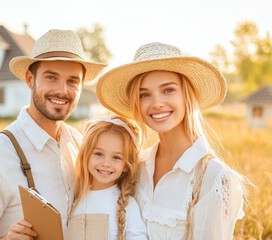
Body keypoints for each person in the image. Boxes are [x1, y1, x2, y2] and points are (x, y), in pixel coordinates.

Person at [0, 29, 106, 239]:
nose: (62, 90)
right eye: (51, 77)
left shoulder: (79, 145)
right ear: (30, 80)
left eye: (72, 81)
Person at [96, 42, 246, 239]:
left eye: (168, 90)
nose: (157, 103)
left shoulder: (213, 177)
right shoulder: (135, 165)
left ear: (187, 95)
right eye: (144, 94)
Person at [66, 115, 147, 240]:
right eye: (98, 154)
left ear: (126, 165)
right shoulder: (74, 200)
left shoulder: (127, 205)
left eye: (116, 157)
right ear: (85, 155)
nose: (106, 163)